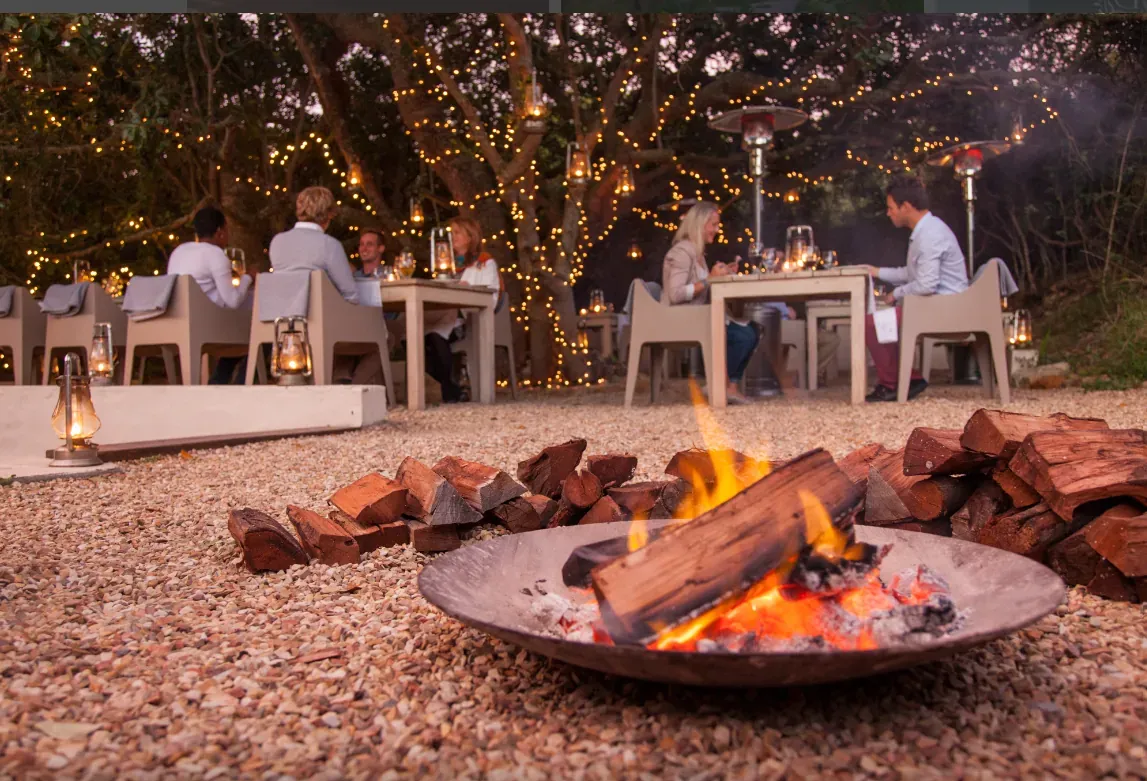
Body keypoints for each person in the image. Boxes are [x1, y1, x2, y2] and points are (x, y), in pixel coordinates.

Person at [859, 175, 968, 402]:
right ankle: (908, 378)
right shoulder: (925, 231)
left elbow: (926, 285)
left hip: (945, 308)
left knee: (872, 324)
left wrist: (895, 294)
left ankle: (893, 383)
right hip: (936, 305)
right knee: (878, 321)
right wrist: (877, 272)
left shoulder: (930, 235)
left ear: (906, 206)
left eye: (891, 208)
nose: (888, 213)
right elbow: (911, 274)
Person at [662, 201, 758, 404]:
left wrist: (722, 274)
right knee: (745, 335)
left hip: (698, 316)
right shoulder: (681, 252)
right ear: (699, 224)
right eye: (713, 225)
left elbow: (702, 286)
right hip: (681, 319)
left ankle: (728, 387)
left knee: (754, 329)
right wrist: (709, 279)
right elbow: (676, 294)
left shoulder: (697, 254)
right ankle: (720, 385)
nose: (717, 229)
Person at [167, 206, 254, 384]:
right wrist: (248, 278)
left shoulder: (179, 251)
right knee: (256, 318)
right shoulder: (215, 254)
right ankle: (243, 382)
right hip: (208, 322)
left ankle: (220, 380)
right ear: (220, 232)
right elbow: (233, 301)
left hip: (179, 319)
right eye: (227, 230)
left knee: (240, 326)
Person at [268, 186, 359, 304]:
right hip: (321, 313)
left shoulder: (277, 241)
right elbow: (351, 295)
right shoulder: (329, 244)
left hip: (281, 312)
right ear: (328, 214)